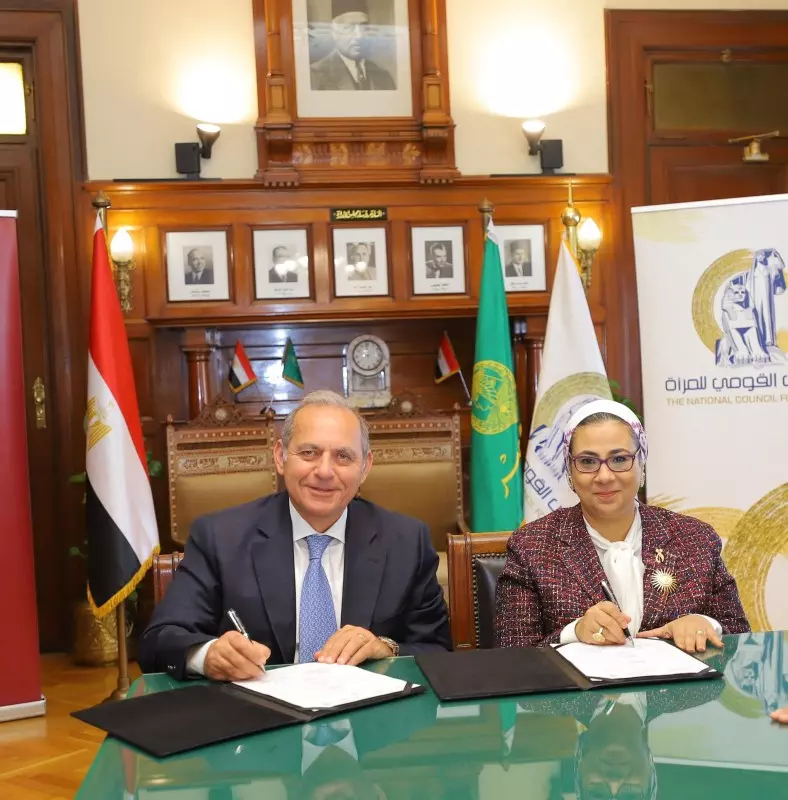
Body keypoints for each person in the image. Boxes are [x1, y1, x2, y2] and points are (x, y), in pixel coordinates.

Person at [139, 390, 450, 681]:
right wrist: (207, 656)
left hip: (369, 715)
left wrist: (387, 648)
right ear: (280, 457)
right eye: (309, 453)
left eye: (343, 456)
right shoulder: (220, 538)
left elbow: (437, 648)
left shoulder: (407, 542)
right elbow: (161, 640)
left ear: (365, 467)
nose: (325, 471)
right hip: (258, 714)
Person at [495, 398, 749, 653]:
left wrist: (706, 624)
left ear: (641, 463)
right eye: (587, 462)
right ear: (570, 469)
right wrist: (574, 632)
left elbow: (741, 638)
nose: (604, 476)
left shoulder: (695, 538)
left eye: (619, 459)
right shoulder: (532, 546)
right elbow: (513, 655)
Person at [310, 1, 395, 92]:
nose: (359, 36)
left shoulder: (384, 77)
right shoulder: (314, 76)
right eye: (349, 27)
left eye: (363, 27)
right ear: (334, 32)